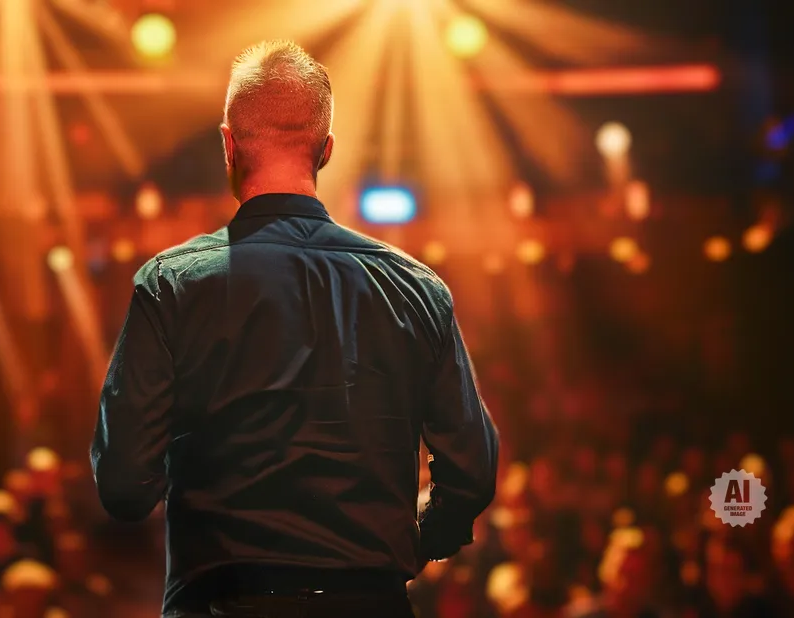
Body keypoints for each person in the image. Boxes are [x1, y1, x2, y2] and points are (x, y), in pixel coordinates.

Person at [91, 39, 499, 618]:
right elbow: (472, 472)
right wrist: (423, 541)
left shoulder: (172, 286)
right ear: (326, 150)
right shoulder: (414, 287)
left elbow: (125, 486)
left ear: (228, 144)